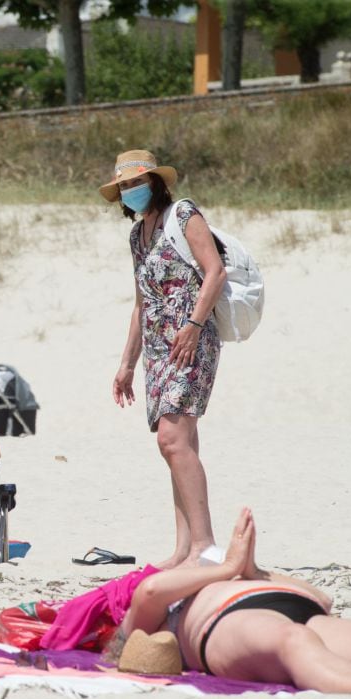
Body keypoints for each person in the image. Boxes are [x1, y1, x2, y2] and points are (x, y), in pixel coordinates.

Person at [102, 149, 227, 569]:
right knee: (180, 443)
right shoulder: (137, 236)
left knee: (171, 440)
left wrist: (192, 324)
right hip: (158, 349)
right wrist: (126, 363)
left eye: (137, 183)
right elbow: (141, 304)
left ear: (155, 181)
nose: (130, 191)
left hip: (192, 337)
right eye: (124, 186)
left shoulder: (183, 214)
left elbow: (214, 271)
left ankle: (206, 545)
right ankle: (185, 546)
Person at [115, 507, 351, 694]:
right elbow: (150, 591)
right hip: (224, 619)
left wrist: (252, 571)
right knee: (293, 639)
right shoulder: (143, 625)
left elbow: (324, 599)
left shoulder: (224, 576)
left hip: (298, 605)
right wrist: (228, 568)